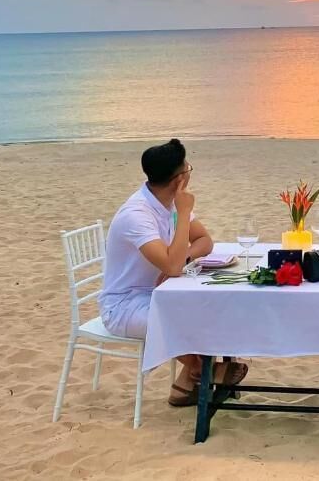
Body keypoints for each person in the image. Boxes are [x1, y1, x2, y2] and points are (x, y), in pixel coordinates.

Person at [99, 139, 247, 406]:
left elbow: (204, 240)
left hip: (160, 294)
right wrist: (184, 211)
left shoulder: (167, 203)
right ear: (179, 178)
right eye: (188, 167)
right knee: (187, 319)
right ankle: (202, 369)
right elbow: (172, 266)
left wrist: (185, 253)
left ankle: (185, 386)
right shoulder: (137, 214)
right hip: (125, 305)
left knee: (212, 307)